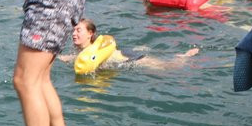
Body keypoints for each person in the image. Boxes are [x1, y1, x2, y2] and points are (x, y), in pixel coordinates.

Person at [60, 19, 199, 71]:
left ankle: (185, 56)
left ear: (90, 33)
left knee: (167, 68)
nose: (74, 34)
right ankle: (143, 47)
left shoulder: (94, 48)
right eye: (73, 31)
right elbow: (69, 58)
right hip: (122, 53)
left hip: (129, 58)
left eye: (78, 30)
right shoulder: (80, 51)